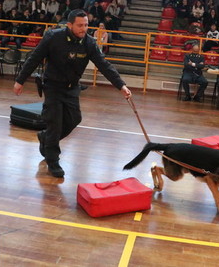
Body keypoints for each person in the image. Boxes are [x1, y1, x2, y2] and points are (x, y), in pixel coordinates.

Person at [13, 9, 132, 178]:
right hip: (53, 87)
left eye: (86, 25)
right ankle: (53, 160)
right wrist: (20, 80)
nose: (84, 29)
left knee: (75, 119)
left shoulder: (89, 43)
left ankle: (45, 138)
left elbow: (104, 65)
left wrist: (121, 86)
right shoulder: (53, 37)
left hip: (72, 88)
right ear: (69, 25)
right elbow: (34, 58)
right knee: (55, 123)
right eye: (80, 25)